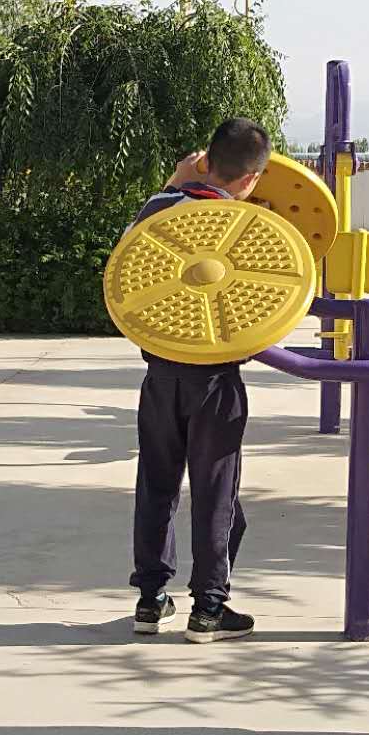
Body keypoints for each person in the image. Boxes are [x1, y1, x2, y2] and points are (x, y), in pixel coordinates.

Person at [127, 118, 272, 643]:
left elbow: (126, 267)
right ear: (252, 178)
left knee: (156, 487)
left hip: (160, 376)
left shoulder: (159, 208)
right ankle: (208, 609)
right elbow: (263, 307)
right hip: (216, 382)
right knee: (216, 494)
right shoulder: (246, 226)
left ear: (204, 161)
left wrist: (173, 183)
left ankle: (150, 602)